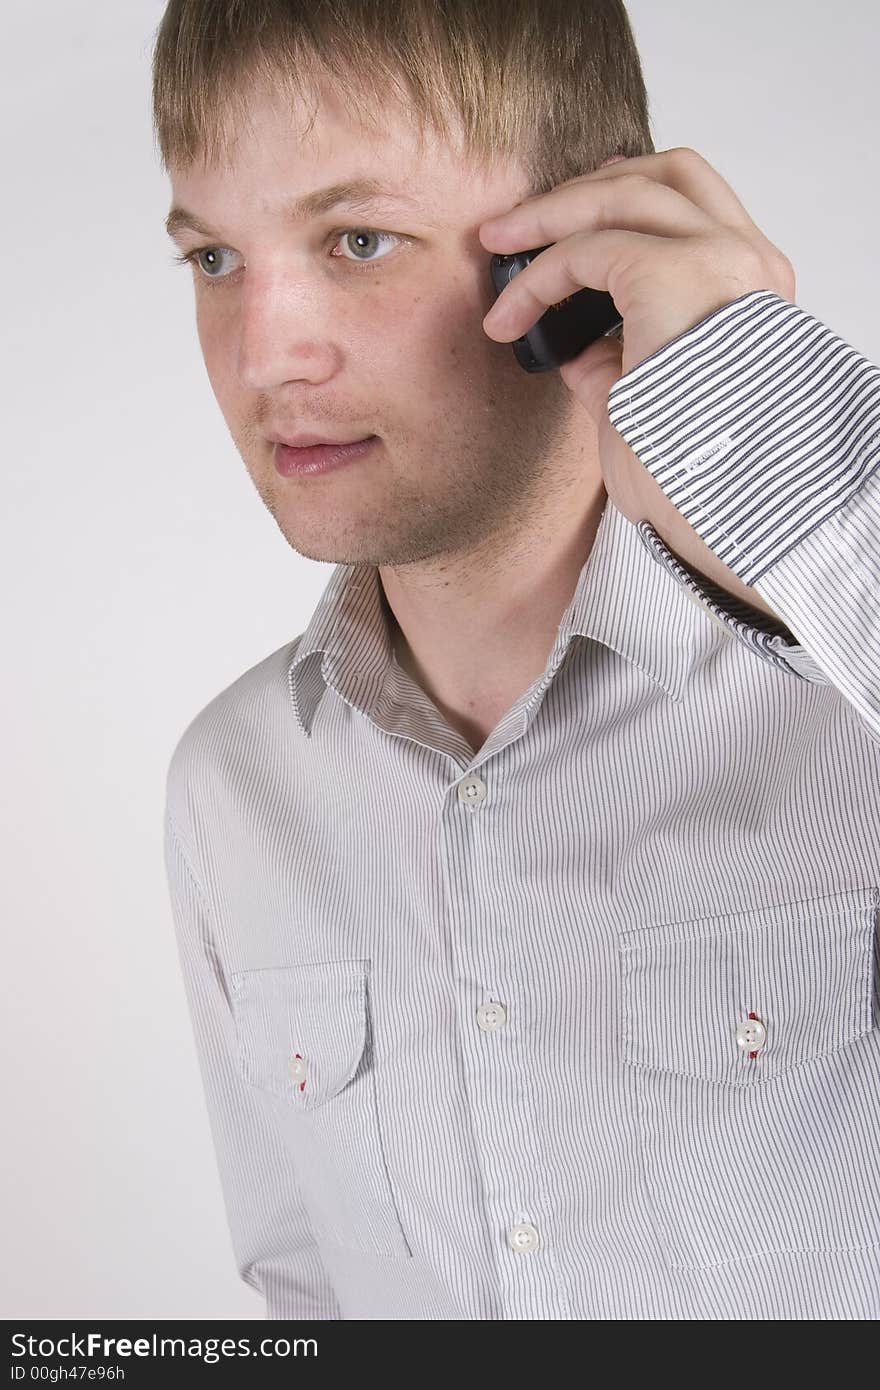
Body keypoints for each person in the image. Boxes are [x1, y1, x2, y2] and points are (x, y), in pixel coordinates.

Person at [155, 0, 880, 1319]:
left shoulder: (850, 711)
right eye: (214, 258)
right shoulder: (231, 788)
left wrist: (766, 415)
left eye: (356, 239)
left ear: (584, 251)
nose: (265, 355)